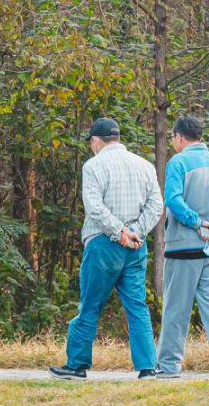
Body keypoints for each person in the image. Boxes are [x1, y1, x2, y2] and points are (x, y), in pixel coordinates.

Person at [51, 117, 163, 379]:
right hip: (136, 245)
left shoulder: (94, 166)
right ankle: (147, 367)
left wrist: (119, 232)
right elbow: (156, 206)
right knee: (137, 305)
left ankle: (77, 365)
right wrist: (135, 232)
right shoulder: (144, 165)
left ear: (96, 141)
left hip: (103, 243)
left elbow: (94, 207)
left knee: (90, 304)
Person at [155, 114, 209, 377]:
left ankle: (169, 364)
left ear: (179, 137)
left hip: (184, 244)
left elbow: (172, 200)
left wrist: (196, 222)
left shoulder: (178, 162)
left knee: (176, 307)